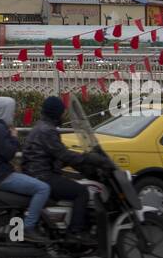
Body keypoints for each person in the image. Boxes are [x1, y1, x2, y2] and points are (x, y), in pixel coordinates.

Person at [23, 96, 110, 242]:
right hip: (43, 175)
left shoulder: (42, 127)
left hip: (38, 172)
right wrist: (89, 158)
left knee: (74, 183)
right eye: (62, 112)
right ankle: (75, 232)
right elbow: (63, 154)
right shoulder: (48, 131)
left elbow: (54, 155)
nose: (63, 115)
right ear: (56, 113)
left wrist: (77, 163)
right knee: (81, 192)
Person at [0, 96, 51, 241]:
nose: (13, 115)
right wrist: (14, 137)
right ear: (5, 111)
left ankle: (16, 230)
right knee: (42, 188)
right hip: (0, 176)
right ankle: (29, 227)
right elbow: (8, 153)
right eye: (12, 111)